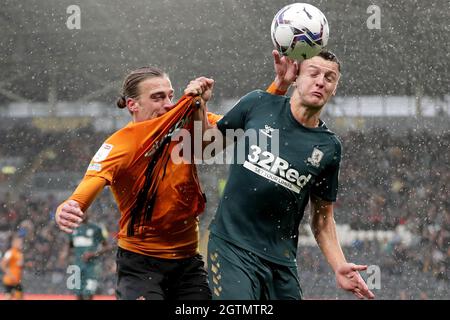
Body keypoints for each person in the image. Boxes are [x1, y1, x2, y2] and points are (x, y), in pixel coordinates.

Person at [55, 65, 287, 300]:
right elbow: (91, 182)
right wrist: (71, 205)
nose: (168, 104)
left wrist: (280, 85)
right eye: (157, 97)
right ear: (132, 105)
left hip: (187, 264)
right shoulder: (120, 145)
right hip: (140, 265)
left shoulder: (185, 125)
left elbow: (246, 123)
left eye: (170, 95)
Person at [204, 49, 375, 300]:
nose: (320, 81)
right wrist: (199, 103)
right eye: (313, 73)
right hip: (232, 248)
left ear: (335, 88)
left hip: (281, 261)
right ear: (296, 77)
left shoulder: (329, 148)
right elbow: (205, 148)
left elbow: (322, 219)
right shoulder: (258, 104)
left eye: (329, 78)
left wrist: (339, 265)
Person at [62, 216, 111, 300]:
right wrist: (64, 255)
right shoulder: (72, 229)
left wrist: (94, 253)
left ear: (89, 213)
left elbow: (107, 247)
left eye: (85, 211)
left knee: (89, 293)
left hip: (92, 267)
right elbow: (69, 245)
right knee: (78, 294)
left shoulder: (96, 228)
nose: (83, 214)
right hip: (77, 266)